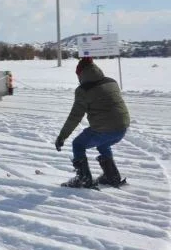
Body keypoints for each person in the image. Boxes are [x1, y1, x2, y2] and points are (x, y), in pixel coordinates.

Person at [55, 57, 130, 188]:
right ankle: (111, 176)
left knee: (78, 144)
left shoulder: (83, 90)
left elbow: (75, 116)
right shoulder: (112, 82)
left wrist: (62, 137)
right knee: (103, 144)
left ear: (81, 74)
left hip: (104, 129)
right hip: (122, 127)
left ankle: (84, 179)